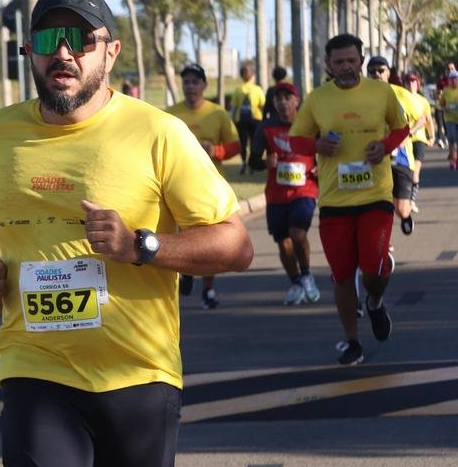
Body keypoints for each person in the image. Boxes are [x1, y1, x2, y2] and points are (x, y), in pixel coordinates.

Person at [0, 0, 253, 467]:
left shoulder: (156, 132)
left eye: (80, 40)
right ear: (29, 52)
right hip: (36, 371)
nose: (64, 53)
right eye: (49, 39)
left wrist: (143, 245)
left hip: (137, 376)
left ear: (110, 53)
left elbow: (236, 245)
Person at [289, 34, 408, 366]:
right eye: (338, 62)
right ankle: (352, 340)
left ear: (361, 60)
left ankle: (374, 302)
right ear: (328, 65)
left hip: (375, 195)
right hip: (335, 201)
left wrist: (384, 146)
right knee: (342, 275)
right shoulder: (317, 100)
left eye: (351, 61)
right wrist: (317, 146)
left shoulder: (381, 92)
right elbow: (296, 139)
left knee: (372, 267)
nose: (346, 67)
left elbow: (402, 127)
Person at [165, 62, 241, 309]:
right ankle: (184, 273)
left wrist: (216, 150)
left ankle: (208, 289)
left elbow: (235, 146)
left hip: (209, 188)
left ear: (204, 86)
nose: (190, 86)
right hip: (174, 186)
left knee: (209, 239)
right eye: (186, 82)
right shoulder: (169, 114)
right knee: (178, 236)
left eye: (195, 82)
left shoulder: (217, 113)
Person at [251, 81, 320, 305]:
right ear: (274, 102)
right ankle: (296, 281)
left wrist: (320, 166)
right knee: (284, 243)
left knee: (298, 233)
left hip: (305, 189)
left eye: (287, 98)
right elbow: (253, 161)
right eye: (278, 98)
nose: (283, 102)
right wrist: (265, 162)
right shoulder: (266, 127)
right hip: (276, 194)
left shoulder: (310, 124)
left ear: (297, 100)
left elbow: (325, 149)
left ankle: (307, 274)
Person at [366, 56, 420, 235]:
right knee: (380, 206)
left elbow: (421, 119)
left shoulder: (401, 94)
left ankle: (405, 216)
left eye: (381, 70)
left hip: (402, 158)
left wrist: (407, 133)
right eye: (372, 71)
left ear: (388, 72)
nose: (377, 74)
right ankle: (383, 243)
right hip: (374, 159)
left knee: (402, 209)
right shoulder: (361, 96)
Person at [402, 71, 434, 213]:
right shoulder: (400, 99)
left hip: (419, 139)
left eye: (413, 82)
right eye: (408, 82)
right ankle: (404, 198)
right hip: (404, 140)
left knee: (415, 171)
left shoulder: (423, 101)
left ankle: (411, 200)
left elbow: (428, 120)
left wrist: (432, 136)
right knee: (406, 171)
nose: (411, 85)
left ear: (418, 83)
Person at [229, 62, 266, 174]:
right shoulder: (257, 89)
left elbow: (234, 108)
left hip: (241, 121)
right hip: (256, 120)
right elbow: (263, 106)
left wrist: (232, 120)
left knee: (243, 143)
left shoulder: (238, 90)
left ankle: (244, 162)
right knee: (254, 143)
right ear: (252, 76)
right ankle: (252, 164)